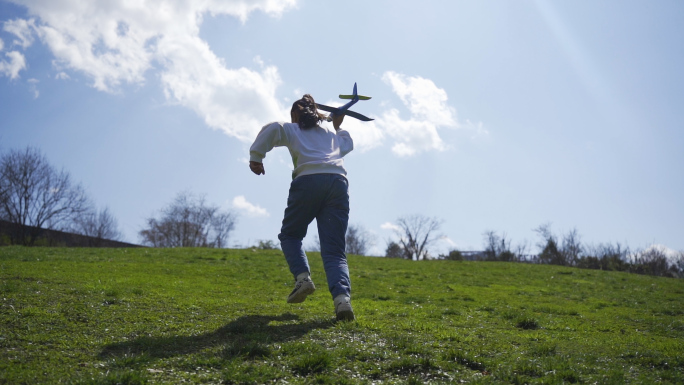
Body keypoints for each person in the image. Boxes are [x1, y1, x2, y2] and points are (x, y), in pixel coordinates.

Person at [249, 94, 355, 321]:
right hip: (337, 183)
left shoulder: (293, 129)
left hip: (308, 181)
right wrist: (338, 126)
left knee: (290, 235)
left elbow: (273, 128)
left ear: (296, 115)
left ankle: (303, 279)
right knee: (335, 251)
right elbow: (347, 145)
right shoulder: (329, 135)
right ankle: (342, 301)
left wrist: (256, 156)